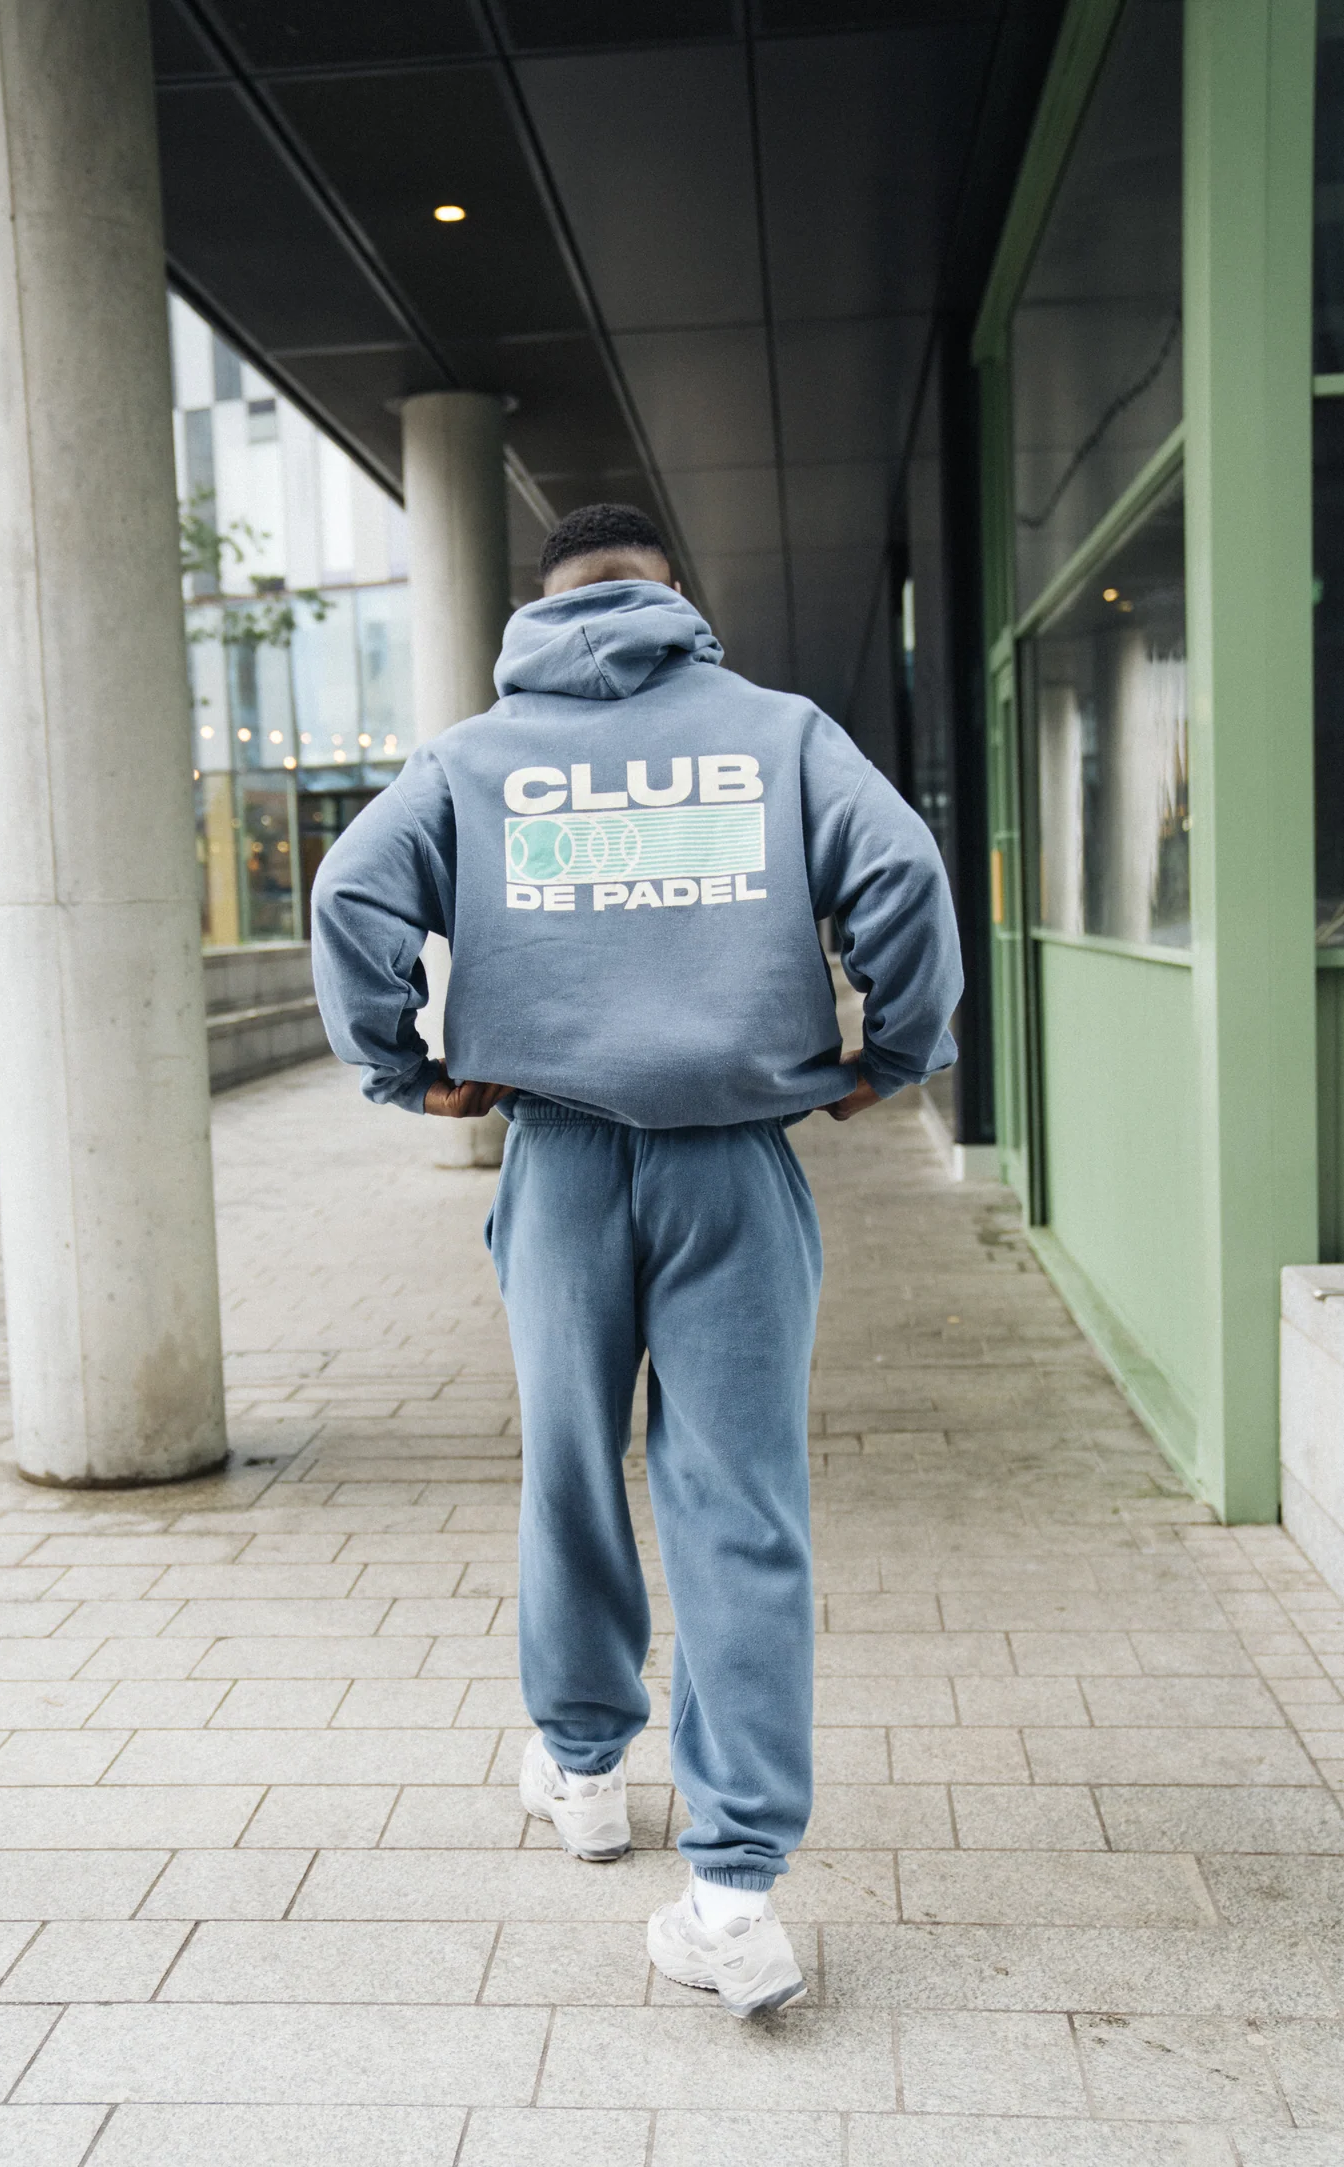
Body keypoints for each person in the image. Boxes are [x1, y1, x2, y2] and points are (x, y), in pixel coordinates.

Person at [311, 502, 962, 2017]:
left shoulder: (474, 758)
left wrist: (411, 1070)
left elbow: (352, 893)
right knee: (740, 1506)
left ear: (543, 610)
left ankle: (589, 1770)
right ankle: (733, 1893)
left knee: (565, 1462)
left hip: (556, 1159)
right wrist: (895, 1051)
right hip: (736, 1160)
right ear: (680, 600)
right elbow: (905, 878)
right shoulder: (777, 731)